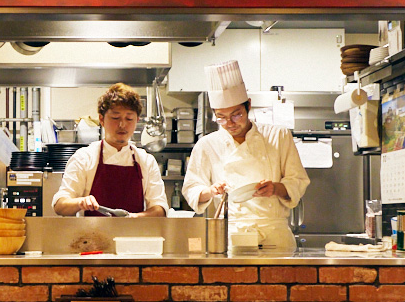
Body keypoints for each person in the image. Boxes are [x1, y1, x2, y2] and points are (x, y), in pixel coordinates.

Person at [181, 60, 310, 248]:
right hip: (231, 236)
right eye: (221, 117)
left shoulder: (278, 136)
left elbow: (298, 180)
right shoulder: (206, 145)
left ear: (248, 105)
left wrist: (275, 188)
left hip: (275, 236)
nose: (230, 123)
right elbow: (191, 189)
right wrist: (211, 191)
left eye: (236, 115)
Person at [53, 83, 169, 217]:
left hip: (133, 236)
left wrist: (133, 218)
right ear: (102, 119)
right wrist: (80, 202)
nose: (122, 125)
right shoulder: (84, 158)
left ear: (137, 120)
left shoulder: (146, 161)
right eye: (115, 118)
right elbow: (60, 205)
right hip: (90, 236)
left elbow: (159, 208)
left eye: (129, 118)